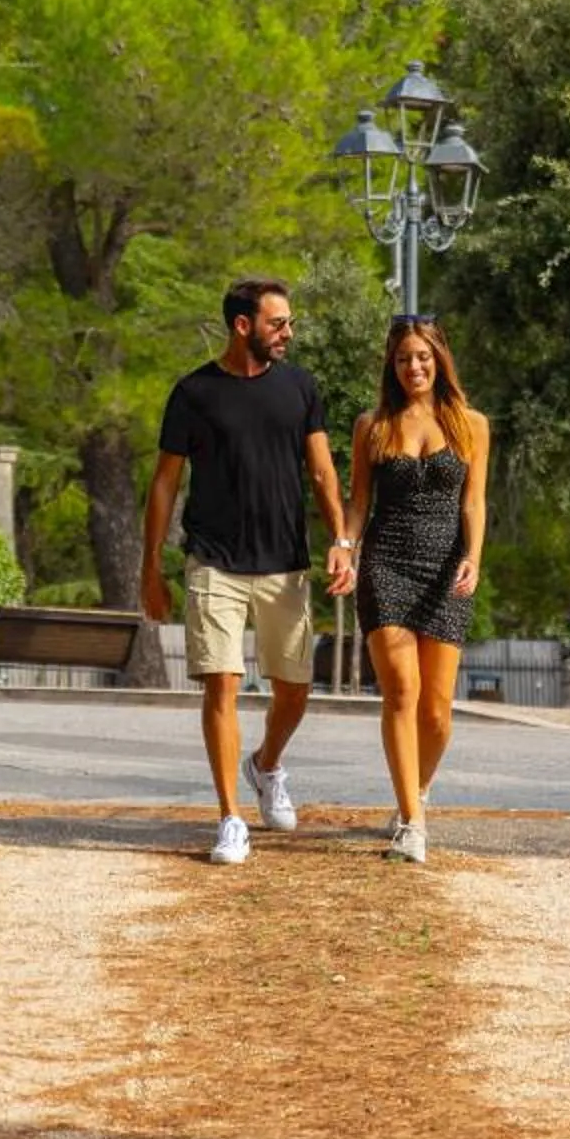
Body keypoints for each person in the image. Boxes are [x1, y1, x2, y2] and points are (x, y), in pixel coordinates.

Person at [141, 277, 356, 866]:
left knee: (295, 688)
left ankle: (265, 765)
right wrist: (150, 567)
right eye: (277, 323)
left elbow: (322, 472)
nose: (288, 333)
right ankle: (230, 817)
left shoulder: (300, 388)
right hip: (214, 560)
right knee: (222, 683)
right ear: (243, 326)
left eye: (288, 323)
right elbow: (164, 483)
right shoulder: (193, 393)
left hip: (285, 561)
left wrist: (341, 540)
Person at [345, 315, 490, 865]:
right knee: (401, 691)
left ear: (440, 359)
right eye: (404, 358)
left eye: (423, 357)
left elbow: (474, 501)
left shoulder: (471, 425)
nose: (414, 367)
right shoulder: (373, 425)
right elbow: (360, 503)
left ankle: (418, 791)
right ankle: (411, 822)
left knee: (437, 712)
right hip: (387, 564)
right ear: (392, 365)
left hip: (448, 568)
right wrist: (345, 545)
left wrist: (474, 556)